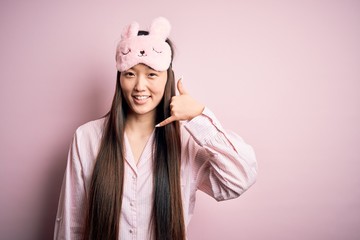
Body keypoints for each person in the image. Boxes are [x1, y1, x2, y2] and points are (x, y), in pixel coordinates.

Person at [54, 17, 258, 240]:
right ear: (119, 78)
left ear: (167, 77)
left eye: (152, 74)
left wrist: (199, 116)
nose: (140, 86)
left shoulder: (187, 140)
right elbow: (71, 225)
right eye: (130, 74)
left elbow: (240, 179)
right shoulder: (87, 138)